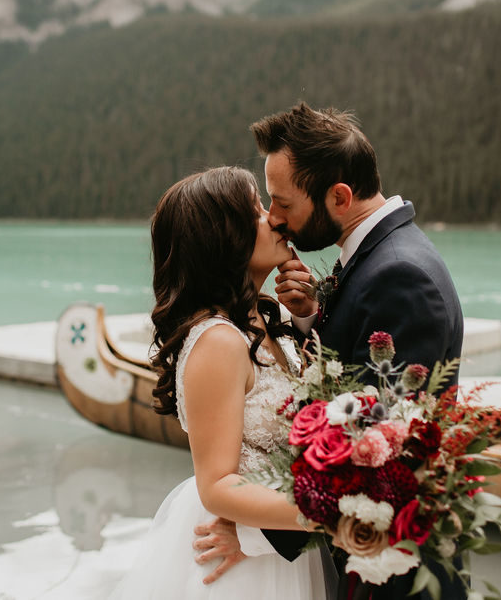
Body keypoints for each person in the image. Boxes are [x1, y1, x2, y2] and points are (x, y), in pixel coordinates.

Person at [194, 103, 466, 600]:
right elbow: (355, 375)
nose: (274, 218)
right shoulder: (378, 259)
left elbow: (375, 451)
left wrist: (258, 532)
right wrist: (309, 318)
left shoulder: (399, 277)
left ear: (338, 196)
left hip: (396, 573)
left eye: (282, 203)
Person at [109, 166, 327, 599]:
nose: (275, 219)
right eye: (257, 211)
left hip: (279, 545)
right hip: (243, 565)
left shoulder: (266, 321)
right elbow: (217, 486)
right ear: (223, 239)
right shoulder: (219, 342)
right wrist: (331, 512)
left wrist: (309, 317)